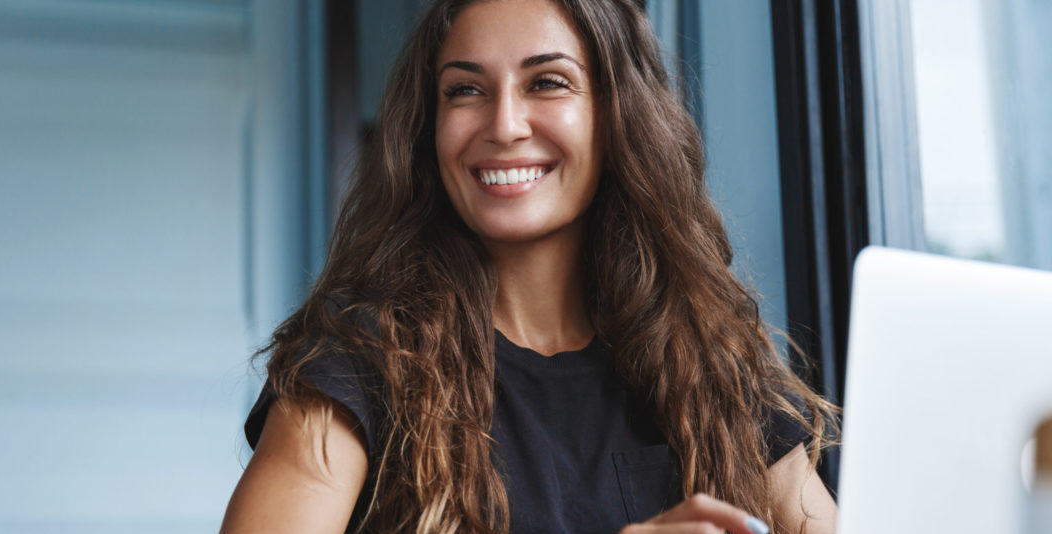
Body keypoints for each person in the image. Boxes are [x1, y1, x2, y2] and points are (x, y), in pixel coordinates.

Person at [220, 0, 840, 532]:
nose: (504, 125)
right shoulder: (354, 355)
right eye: (466, 90)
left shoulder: (714, 358)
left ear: (615, 113)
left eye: (547, 82)